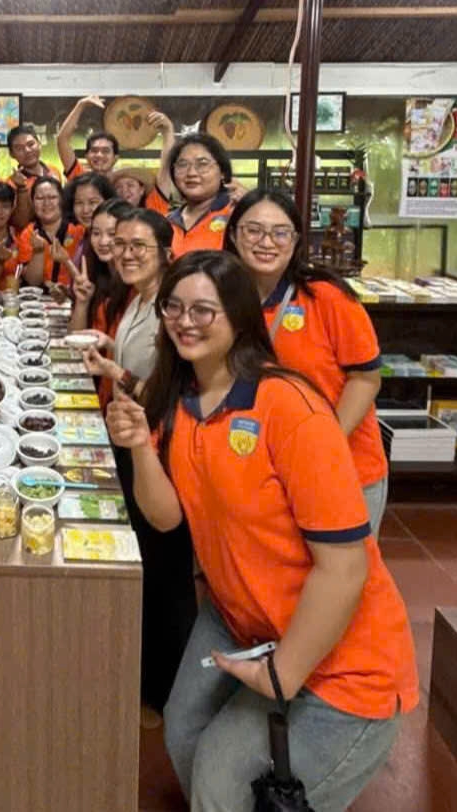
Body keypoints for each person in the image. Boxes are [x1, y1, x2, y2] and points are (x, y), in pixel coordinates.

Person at [106, 250, 418, 812]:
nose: (185, 321)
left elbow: (346, 567)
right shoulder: (180, 399)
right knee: (183, 732)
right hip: (239, 619)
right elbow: (166, 517)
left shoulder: (290, 406)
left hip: (343, 661)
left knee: (222, 781)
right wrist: (138, 449)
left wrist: (283, 672)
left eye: (205, 310)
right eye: (174, 307)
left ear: (241, 317)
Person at [77, 208, 197, 719]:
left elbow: (173, 396)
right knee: (145, 559)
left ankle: (168, 692)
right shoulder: (140, 297)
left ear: (166, 253)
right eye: (120, 244)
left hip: (163, 450)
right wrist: (111, 355)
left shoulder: (172, 309)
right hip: (135, 438)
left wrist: (117, 373)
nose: (126, 253)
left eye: (138, 246)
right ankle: (143, 671)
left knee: (166, 567)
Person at [225, 189, 389, 534]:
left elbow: (366, 378)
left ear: (296, 240)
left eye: (280, 232)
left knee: (339, 563)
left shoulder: (327, 296)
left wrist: (324, 443)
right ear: (234, 235)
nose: (266, 242)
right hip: (262, 467)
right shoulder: (224, 298)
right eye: (253, 230)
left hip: (340, 465)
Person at [68, 199, 135, 406]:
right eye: (96, 233)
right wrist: (83, 302)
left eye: (112, 234)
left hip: (127, 394)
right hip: (100, 384)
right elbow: (77, 338)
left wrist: (109, 344)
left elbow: (141, 359)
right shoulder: (98, 275)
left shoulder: (137, 286)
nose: (103, 241)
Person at [166, 133, 236, 258]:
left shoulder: (235, 215)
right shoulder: (168, 221)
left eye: (202, 164)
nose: (191, 173)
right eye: (182, 164)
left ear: (223, 172)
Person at [16, 176, 85, 288]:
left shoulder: (78, 230)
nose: (46, 203)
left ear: (62, 200)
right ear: (32, 202)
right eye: (40, 198)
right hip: (39, 296)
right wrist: (38, 252)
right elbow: (33, 282)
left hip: (74, 293)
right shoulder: (28, 233)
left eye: (52, 197)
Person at [7, 123, 62, 228]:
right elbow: (19, 223)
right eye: (19, 148)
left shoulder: (54, 171)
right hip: (28, 236)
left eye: (31, 144)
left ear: (39, 144)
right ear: (11, 154)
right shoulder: (10, 184)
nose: (27, 151)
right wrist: (21, 188)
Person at [56, 95, 120, 180]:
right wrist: (81, 104)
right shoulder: (80, 178)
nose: (99, 155)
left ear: (115, 158)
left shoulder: (122, 184)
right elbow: (62, 139)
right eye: (94, 150)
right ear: (87, 156)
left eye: (105, 151)